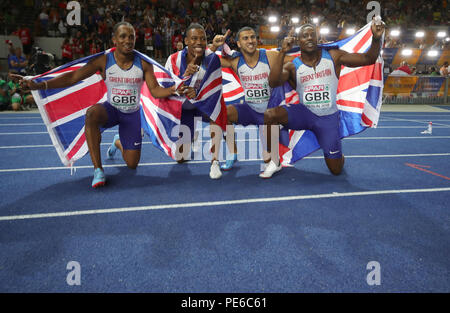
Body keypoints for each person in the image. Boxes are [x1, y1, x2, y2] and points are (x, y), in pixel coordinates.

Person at [13, 22, 182, 188]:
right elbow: (73, 77)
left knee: (132, 164)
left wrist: (175, 89)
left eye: (131, 37)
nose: (128, 40)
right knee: (92, 114)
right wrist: (39, 85)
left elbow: (155, 90)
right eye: (123, 36)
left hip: (131, 115)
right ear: (114, 39)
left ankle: (118, 142)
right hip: (111, 110)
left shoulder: (144, 63)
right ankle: (98, 170)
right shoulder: (104, 60)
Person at [264, 21, 385, 177]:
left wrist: (375, 38)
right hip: (304, 113)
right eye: (304, 36)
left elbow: (368, 59)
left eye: (312, 35)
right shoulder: (292, 65)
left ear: (318, 38)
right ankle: (274, 160)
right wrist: (282, 53)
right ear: (298, 41)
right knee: (270, 115)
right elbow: (273, 82)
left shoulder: (334, 56)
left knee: (336, 170)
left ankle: (337, 151)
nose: (308, 38)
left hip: (327, 118)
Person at [210, 26, 294, 176]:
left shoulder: (270, 56)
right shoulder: (235, 61)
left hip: (270, 115)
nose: (250, 41)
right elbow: (207, 59)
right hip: (250, 110)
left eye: (253, 37)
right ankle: (232, 153)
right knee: (222, 113)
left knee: (270, 161)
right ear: (238, 44)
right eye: (245, 38)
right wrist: (215, 45)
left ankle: (274, 157)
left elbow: (298, 60)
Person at [165, 23, 223, 179]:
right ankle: (191, 135)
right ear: (186, 41)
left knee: (219, 110)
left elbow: (215, 90)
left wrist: (197, 93)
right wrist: (184, 76)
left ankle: (215, 162)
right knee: (180, 158)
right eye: (194, 38)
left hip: (203, 105)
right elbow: (165, 87)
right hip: (184, 109)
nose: (199, 42)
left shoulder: (212, 59)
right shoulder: (173, 60)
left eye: (202, 39)